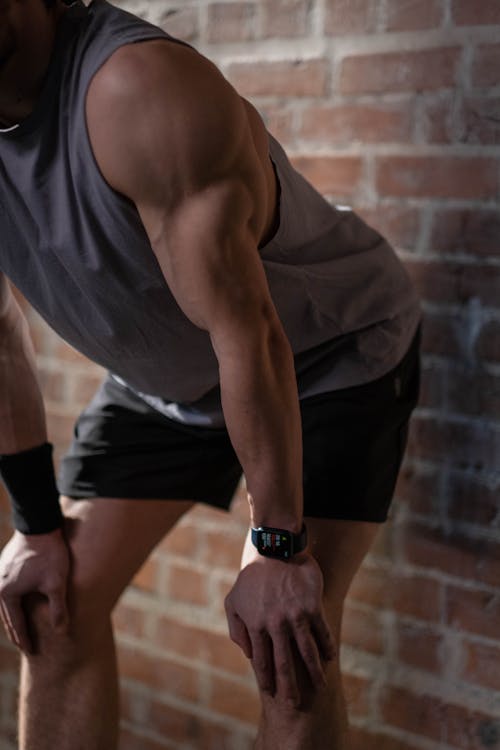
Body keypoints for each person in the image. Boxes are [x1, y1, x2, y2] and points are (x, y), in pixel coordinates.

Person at [0, 1, 422, 748]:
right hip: (166, 384)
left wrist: (279, 547)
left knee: (287, 654)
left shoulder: (134, 89)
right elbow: (1, 336)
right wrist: (35, 526)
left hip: (326, 356)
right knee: (49, 607)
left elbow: (249, 333)